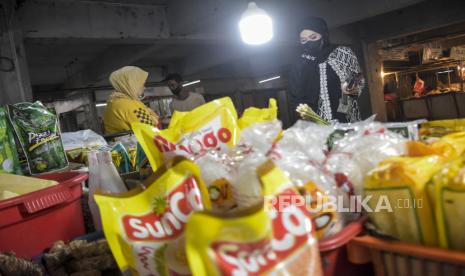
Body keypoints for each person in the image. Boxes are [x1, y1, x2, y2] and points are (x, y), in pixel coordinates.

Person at [289, 17, 365, 123]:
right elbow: (296, 97)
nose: (309, 42)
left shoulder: (342, 53)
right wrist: (313, 120)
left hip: (346, 119)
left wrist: (342, 112)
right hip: (316, 126)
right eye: (304, 40)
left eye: (313, 37)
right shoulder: (300, 61)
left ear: (324, 34)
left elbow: (356, 82)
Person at [103, 66, 159, 134]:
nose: (144, 87)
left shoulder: (114, 102)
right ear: (132, 84)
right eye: (142, 84)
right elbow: (150, 130)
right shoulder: (128, 104)